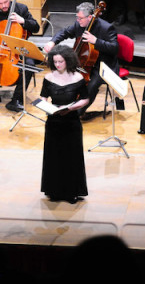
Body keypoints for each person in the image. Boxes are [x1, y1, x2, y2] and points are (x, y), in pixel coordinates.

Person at [43, 1, 120, 118]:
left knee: (91, 85)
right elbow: (64, 32)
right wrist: (52, 42)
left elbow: (115, 48)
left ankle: (77, 113)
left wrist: (96, 41)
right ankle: (61, 105)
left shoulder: (106, 28)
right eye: (77, 18)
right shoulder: (79, 25)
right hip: (84, 63)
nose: (78, 21)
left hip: (103, 66)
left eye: (80, 18)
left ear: (90, 17)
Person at [39, 45, 88, 203]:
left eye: (61, 61)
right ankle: (53, 191)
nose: (58, 64)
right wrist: (45, 105)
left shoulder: (78, 78)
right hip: (53, 121)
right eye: (55, 61)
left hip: (71, 121)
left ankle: (72, 191)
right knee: (54, 157)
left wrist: (72, 107)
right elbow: (43, 97)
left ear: (68, 61)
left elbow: (85, 99)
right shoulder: (48, 78)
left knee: (71, 157)